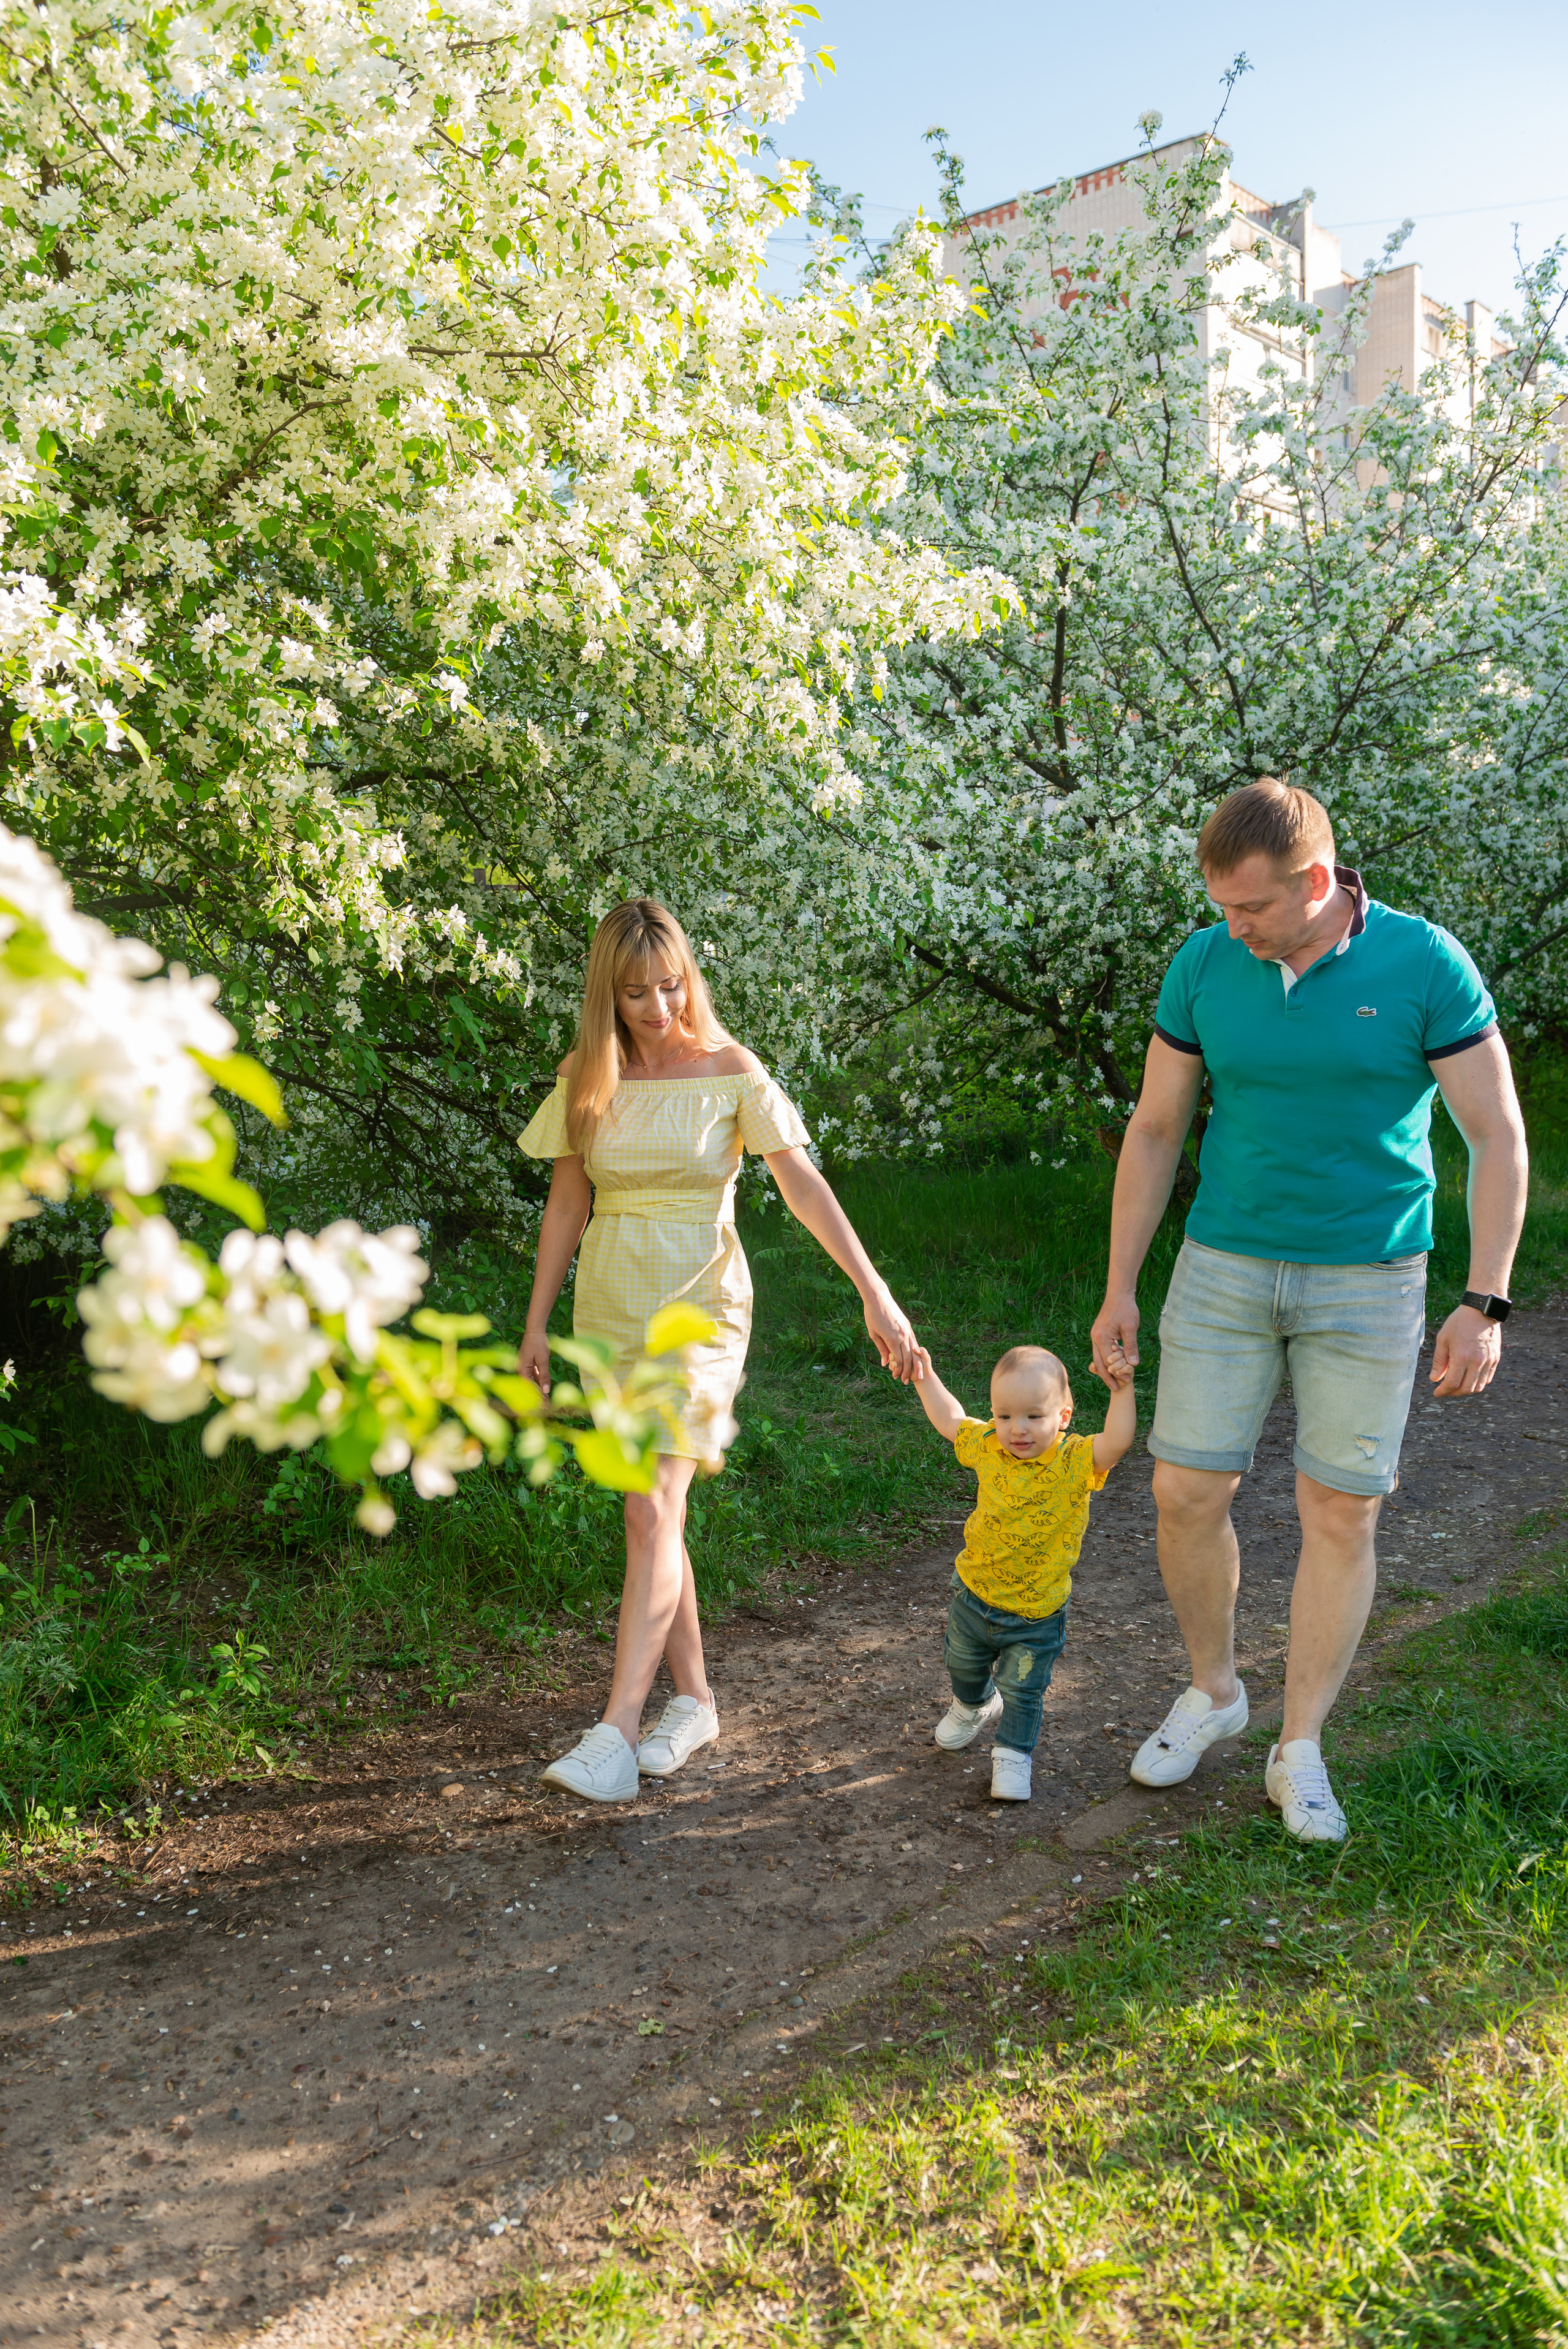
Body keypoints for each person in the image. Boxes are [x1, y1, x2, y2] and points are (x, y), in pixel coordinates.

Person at [1091, 779, 1528, 1843]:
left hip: (1369, 1278)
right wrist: (1119, 1285)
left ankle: (1301, 1747)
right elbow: (1155, 1132)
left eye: (1250, 908)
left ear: (1319, 883)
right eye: (1221, 905)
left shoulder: (1424, 964)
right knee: (1186, 1490)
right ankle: (1214, 1691)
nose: (1229, 927)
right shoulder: (1204, 964)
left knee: (1342, 1509)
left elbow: (1498, 1135)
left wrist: (1484, 1298)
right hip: (1224, 1266)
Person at [517, 898, 918, 1805]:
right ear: (606, 996)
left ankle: (616, 1728)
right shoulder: (588, 1072)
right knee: (653, 1512)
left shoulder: (730, 1070)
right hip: (612, 1299)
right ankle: (693, 1699)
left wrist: (874, 1290)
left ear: (689, 977)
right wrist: (537, 1322)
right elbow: (567, 1206)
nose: (657, 1007)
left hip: (703, 1303)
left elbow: (803, 1185)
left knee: (654, 1505)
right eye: (635, 993)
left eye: (670, 986)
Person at [910, 1338, 1137, 1800]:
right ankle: (973, 1705)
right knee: (962, 1665)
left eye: (1034, 1416)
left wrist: (1121, 1391)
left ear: (1063, 1417)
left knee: (1024, 1689)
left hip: (1036, 1613)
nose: (1018, 1429)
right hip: (974, 1595)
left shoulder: (1076, 1460)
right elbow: (952, 1420)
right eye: (1005, 1415)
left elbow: (1118, 1442)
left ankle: (1014, 1757)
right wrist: (923, 1375)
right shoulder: (989, 1445)